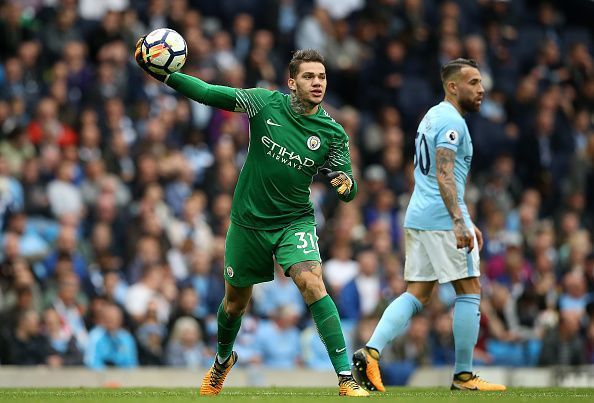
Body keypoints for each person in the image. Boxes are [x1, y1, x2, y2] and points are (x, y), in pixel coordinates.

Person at [134, 41, 368, 397]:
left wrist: (346, 185)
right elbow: (210, 93)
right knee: (234, 304)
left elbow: (349, 186)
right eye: (309, 76)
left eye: (321, 77)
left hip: (294, 222)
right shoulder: (264, 103)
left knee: (312, 283)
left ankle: (345, 378)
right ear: (292, 82)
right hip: (248, 223)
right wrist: (168, 77)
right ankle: (223, 360)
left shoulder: (332, 133)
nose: (317, 82)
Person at [352, 58, 506, 392]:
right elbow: (445, 172)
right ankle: (464, 375)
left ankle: (370, 351)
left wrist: (467, 216)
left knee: (417, 292)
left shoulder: (431, 116)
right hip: (441, 219)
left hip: (419, 214)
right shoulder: (453, 122)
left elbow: (438, 175)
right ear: (453, 86)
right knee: (469, 291)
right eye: (474, 83)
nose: (481, 90)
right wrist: (457, 221)